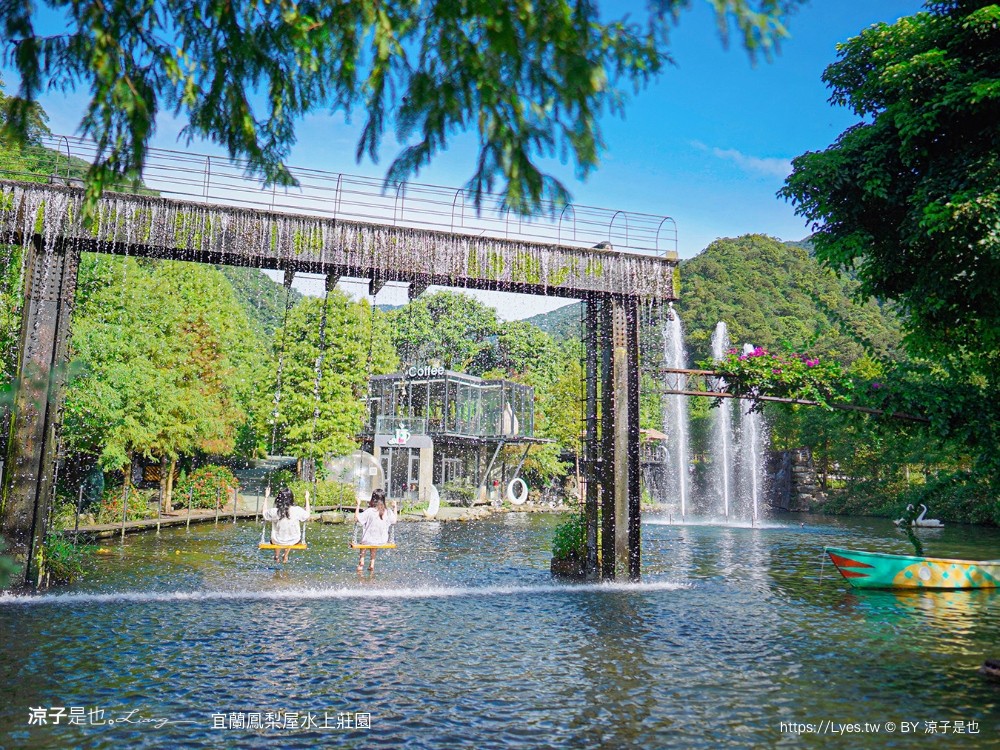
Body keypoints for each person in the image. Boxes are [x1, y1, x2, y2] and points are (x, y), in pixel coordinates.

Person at [263, 487, 310, 563]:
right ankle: (285, 555)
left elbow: (264, 513)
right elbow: (307, 515)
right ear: (291, 498)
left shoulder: (275, 511)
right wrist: (307, 499)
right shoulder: (297, 510)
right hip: (293, 540)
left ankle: (277, 555)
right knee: (290, 535)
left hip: (277, 541)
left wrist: (266, 497)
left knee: (278, 535)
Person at [355, 488, 397, 572]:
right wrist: (395, 507)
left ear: (373, 499)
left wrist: (358, 504)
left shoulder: (370, 511)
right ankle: (372, 563)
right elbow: (394, 520)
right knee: (374, 541)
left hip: (368, 540)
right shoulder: (387, 511)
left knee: (364, 542)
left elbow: (356, 518)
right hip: (382, 541)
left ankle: (361, 561)